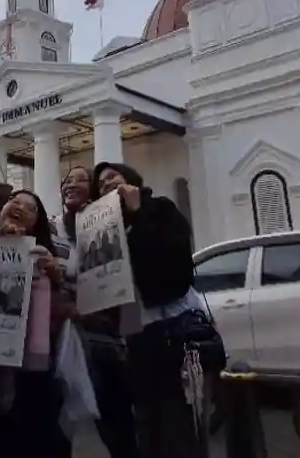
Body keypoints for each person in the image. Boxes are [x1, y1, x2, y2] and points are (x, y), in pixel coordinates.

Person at [92, 162, 211, 458]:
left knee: (179, 416)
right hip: (137, 331)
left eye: (112, 177)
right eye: (100, 184)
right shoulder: (106, 228)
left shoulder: (160, 209)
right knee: (146, 416)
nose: (106, 184)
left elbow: (171, 260)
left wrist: (138, 212)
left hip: (173, 326)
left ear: (131, 180)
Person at [0, 189, 69, 458]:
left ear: (37, 223)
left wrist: (55, 280)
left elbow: (69, 313)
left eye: (30, 207)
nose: (19, 207)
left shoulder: (46, 257)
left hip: (35, 370)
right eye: (14, 201)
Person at [54, 165, 139, 458]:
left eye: (81, 179)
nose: (71, 184)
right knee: (59, 426)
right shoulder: (53, 228)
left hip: (103, 337)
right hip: (63, 338)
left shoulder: (109, 224)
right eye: (67, 180)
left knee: (116, 424)